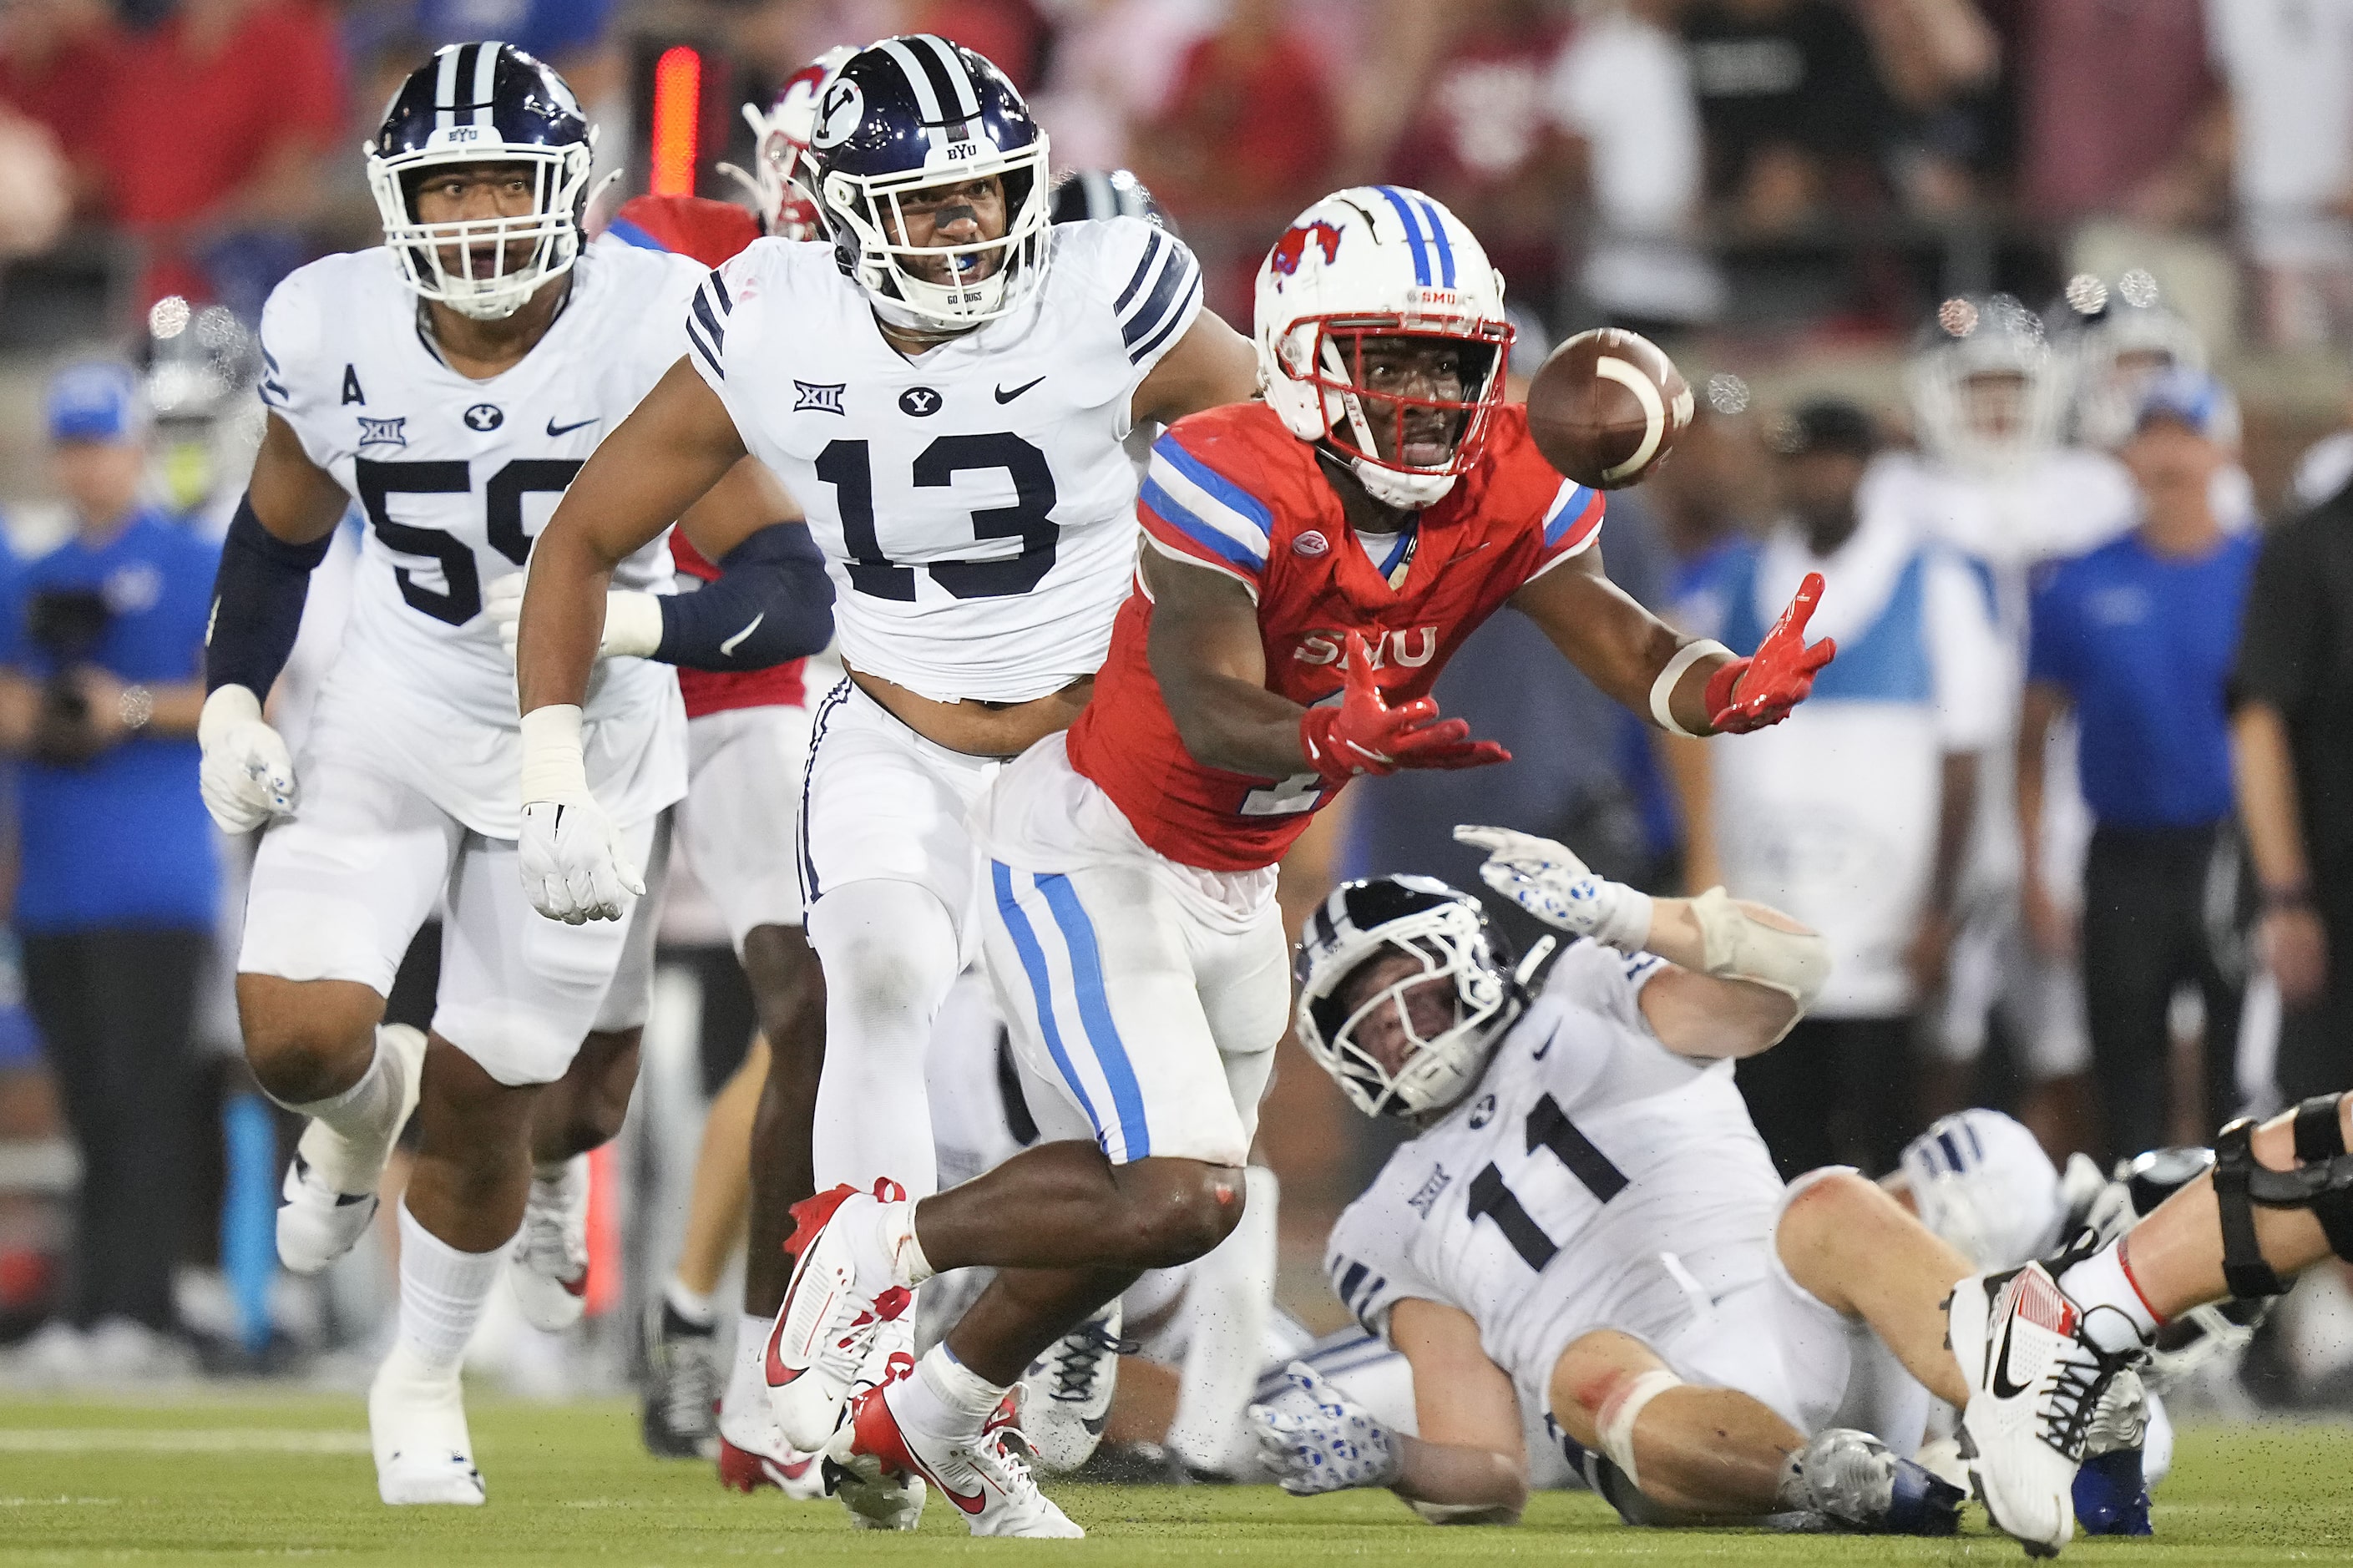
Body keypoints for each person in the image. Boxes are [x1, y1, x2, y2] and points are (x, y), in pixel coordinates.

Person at [755, 184, 1832, 1538]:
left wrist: (1710, 682)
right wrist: (1328, 724)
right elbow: (1208, 693)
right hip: (1094, 847)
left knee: (1170, 1211)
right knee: (1181, 1185)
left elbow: (1615, 633)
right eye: (1393, 357)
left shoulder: (1508, 476)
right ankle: (872, 1238)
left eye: (1452, 362)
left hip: (1234, 883)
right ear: (1303, 348)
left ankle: (935, 1413)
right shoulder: (1222, 461)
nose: (1431, 395)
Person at [512, 33, 1265, 1532]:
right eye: (928, 204)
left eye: (989, 197)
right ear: (843, 214)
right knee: (874, 970)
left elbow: (1289, 455)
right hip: (890, 725)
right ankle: (863, 1352)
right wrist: (547, 759)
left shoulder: (1104, 287)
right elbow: (581, 538)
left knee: (1160, 1140)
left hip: (1088, 749)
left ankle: (1013, 1352)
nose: (969, 230)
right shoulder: (766, 312)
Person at [195, 43, 825, 1505]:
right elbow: (277, 530)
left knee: (501, 1109)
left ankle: (419, 1376)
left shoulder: (654, 319)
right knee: (294, 1039)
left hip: (596, 740)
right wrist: (233, 693)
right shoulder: (330, 316)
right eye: (446, 185)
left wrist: (623, 619)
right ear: (392, 198)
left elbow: (789, 584)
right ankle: (357, 1120)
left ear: (571, 194)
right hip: (399, 706)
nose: (476, 217)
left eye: (503, 182)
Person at [1250, 864, 1971, 1531]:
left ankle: (2031, 1396)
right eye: (1365, 1016)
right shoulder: (1379, 1228)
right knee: (1583, 1365)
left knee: (1831, 1200)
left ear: (1470, 956)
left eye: (1407, 985)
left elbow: (1792, 973)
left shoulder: (1587, 986)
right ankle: (1835, 1485)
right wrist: (1390, 1457)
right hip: (1672, 1449)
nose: (1394, 1025)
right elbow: (1491, 1474)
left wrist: (1622, 912)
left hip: (1802, 1330)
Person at [1672, 398, 2006, 1177]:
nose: (1817, 477)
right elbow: (1687, 733)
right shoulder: (1737, 579)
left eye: (1833, 460)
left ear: (1865, 471)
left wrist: (1940, 911)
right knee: (1773, 1142)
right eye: (1800, 461)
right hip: (1766, 917)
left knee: (1888, 1139)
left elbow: (1965, 758)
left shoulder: (1934, 580)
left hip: (1884, 925)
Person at [0, 361, 217, 1378]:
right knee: (87, 1101)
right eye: (75, 446)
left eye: (104, 444)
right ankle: (92, 1311)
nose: (90, 465)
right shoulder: (30, 575)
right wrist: (40, 713)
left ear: (136, 451)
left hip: (154, 876)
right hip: (55, 876)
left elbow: (230, 694)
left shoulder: (187, 559)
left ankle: (144, 1309)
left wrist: (121, 705)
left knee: (144, 1098)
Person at [1881, 295, 2138, 1142]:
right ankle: (1933, 1201)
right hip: (1938, 772)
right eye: (1974, 384)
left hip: (2061, 770)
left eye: (2010, 384)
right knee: (1936, 1010)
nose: (1995, 405)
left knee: (2069, 1013)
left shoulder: (2093, 490)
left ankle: (2080, 1206)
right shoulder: (1899, 494)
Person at [1946, 1087, 2353, 1554]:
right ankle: (2076, 1313)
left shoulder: (2135, 1420)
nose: (2159, 1332)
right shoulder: (2012, 1178)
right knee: (2333, 1165)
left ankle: (2077, 1317)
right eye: (2172, 1317)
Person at [2018, 370, 2258, 1160]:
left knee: (2240, 1070)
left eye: (2186, 435)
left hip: (2233, 851)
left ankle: (2249, 1266)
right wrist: (2033, 871)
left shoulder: (2262, 573)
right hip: (2124, 851)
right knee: (2125, 1065)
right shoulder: (2081, 581)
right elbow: (2032, 735)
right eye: (2152, 435)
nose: (2169, 456)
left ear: (2223, 449)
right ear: (2127, 454)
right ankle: (2135, 1256)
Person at [2232, 423, 2353, 1121]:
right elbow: (2259, 726)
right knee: (2324, 1142)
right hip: (2337, 901)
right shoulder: (2309, 547)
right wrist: (2285, 896)